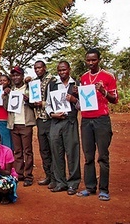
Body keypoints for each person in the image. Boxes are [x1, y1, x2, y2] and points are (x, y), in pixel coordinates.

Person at [77, 48, 118, 201]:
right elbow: (84, 100)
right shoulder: (84, 77)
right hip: (86, 119)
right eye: (88, 60)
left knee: (103, 156)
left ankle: (104, 189)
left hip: (102, 119)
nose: (91, 63)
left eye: (94, 60)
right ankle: (90, 187)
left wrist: (103, 91)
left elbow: (115, 99)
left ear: (99, 60)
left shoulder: (108, 76)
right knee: (88, 156)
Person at [45, 61, 81, 195]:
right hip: (55, 121)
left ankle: (73, 183)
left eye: (64, 70)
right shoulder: (52, 85)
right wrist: (52, 114)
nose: (61, 73)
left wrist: (74, 100)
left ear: (69, 70)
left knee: (72, 152)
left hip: (70, 121)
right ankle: (60, 182)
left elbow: (84, 105)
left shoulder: (76, 84)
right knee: (56, 151)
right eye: (59, 70)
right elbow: (48, 104)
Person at [5, 66, 36, 187]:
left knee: (27, 151)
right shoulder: (10, 90)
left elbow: (35, 103)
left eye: (18, 75)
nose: (15, 77)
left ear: (22, 76)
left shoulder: (29, 88)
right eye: (13, 75)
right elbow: (5, 107)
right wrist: (5, 95)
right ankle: (19, 174)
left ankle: (28, 175)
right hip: (14, 124)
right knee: (17, 151)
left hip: (25, 123)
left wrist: (28, 100)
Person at [32, 61, 56, 189]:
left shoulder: (52, 80)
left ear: (45, 68)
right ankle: (48, 175)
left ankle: (55, 177)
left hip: (51, 118)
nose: (37, 70)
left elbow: (56, 99)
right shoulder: (34, 82)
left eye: (40, 67)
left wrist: (41, 103)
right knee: (44, 149)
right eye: (35, 68)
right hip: (40, 119)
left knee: (53, 148)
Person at [0, 74, 13, 150]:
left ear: (8, 82)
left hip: (7, 119)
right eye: (0, 80)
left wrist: (6, 95)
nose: (2, 82)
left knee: (7, 141)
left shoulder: (12, 91)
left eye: (4, 80)